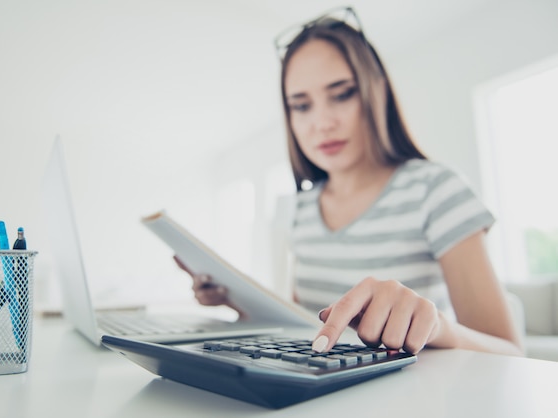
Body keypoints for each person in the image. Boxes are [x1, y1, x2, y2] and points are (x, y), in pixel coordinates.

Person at [177, 6, 523, 357]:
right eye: (301, 105)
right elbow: (307, 325)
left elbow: (510, 352)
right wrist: (237, 302)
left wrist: (436, 326)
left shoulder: (437, 191)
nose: (322, 122)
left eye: (342, 94)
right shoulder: (302, 208)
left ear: (377, 92)